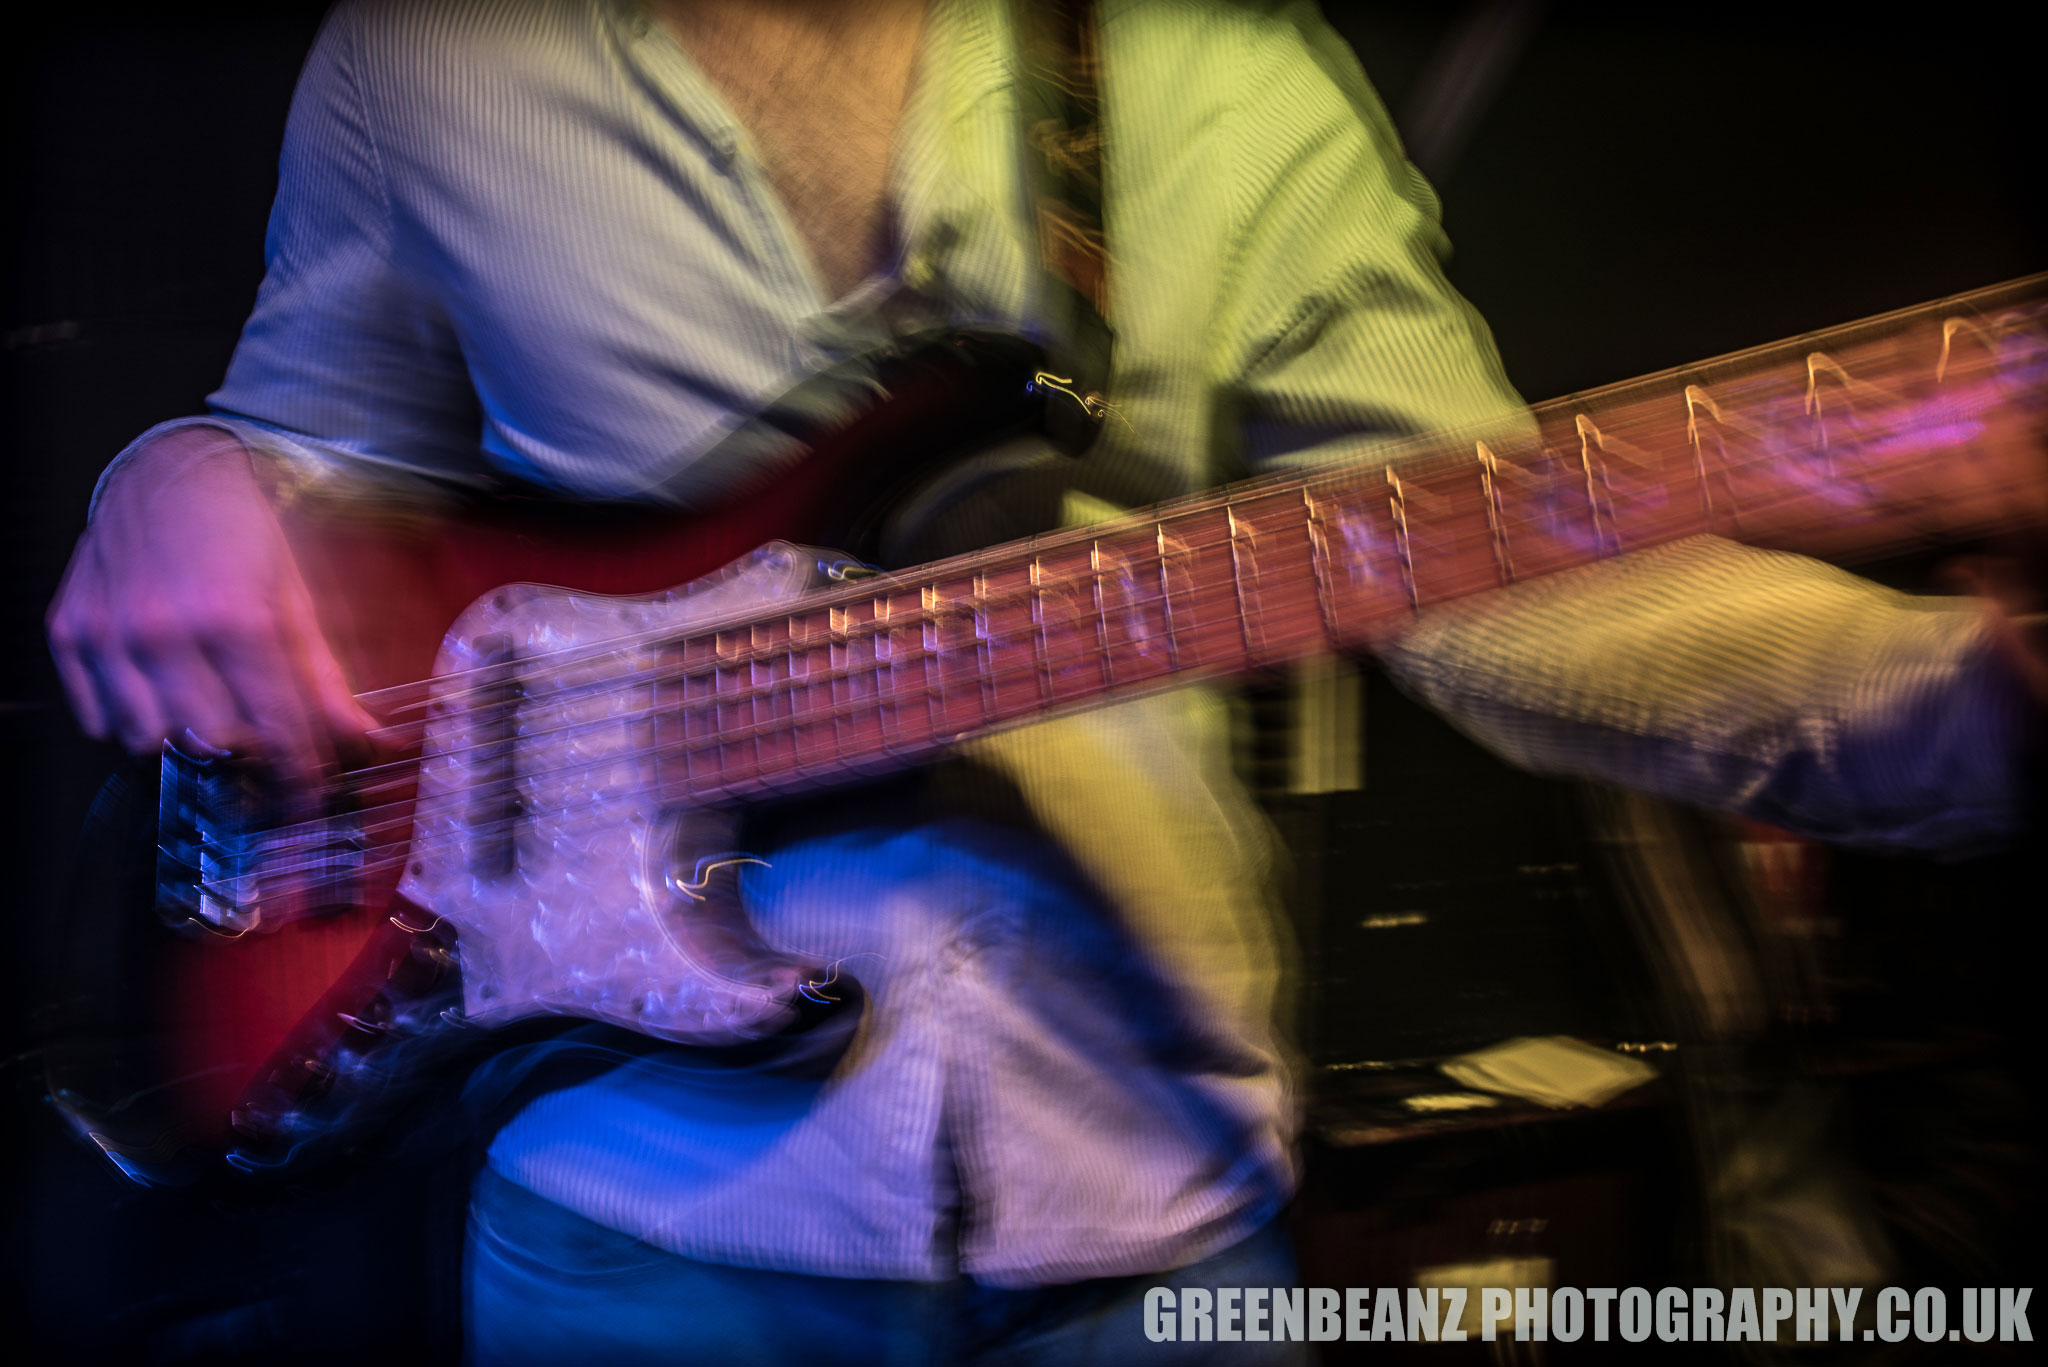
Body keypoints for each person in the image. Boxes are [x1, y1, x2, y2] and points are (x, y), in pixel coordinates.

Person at [45, 1, 2033, 1361]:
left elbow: (1496, 574)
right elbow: (311, 450)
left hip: (1146, 1193)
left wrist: (1975, 701)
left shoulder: (1222, 66)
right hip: (638, 1214)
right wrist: (185, 478)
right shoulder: (421, 51)